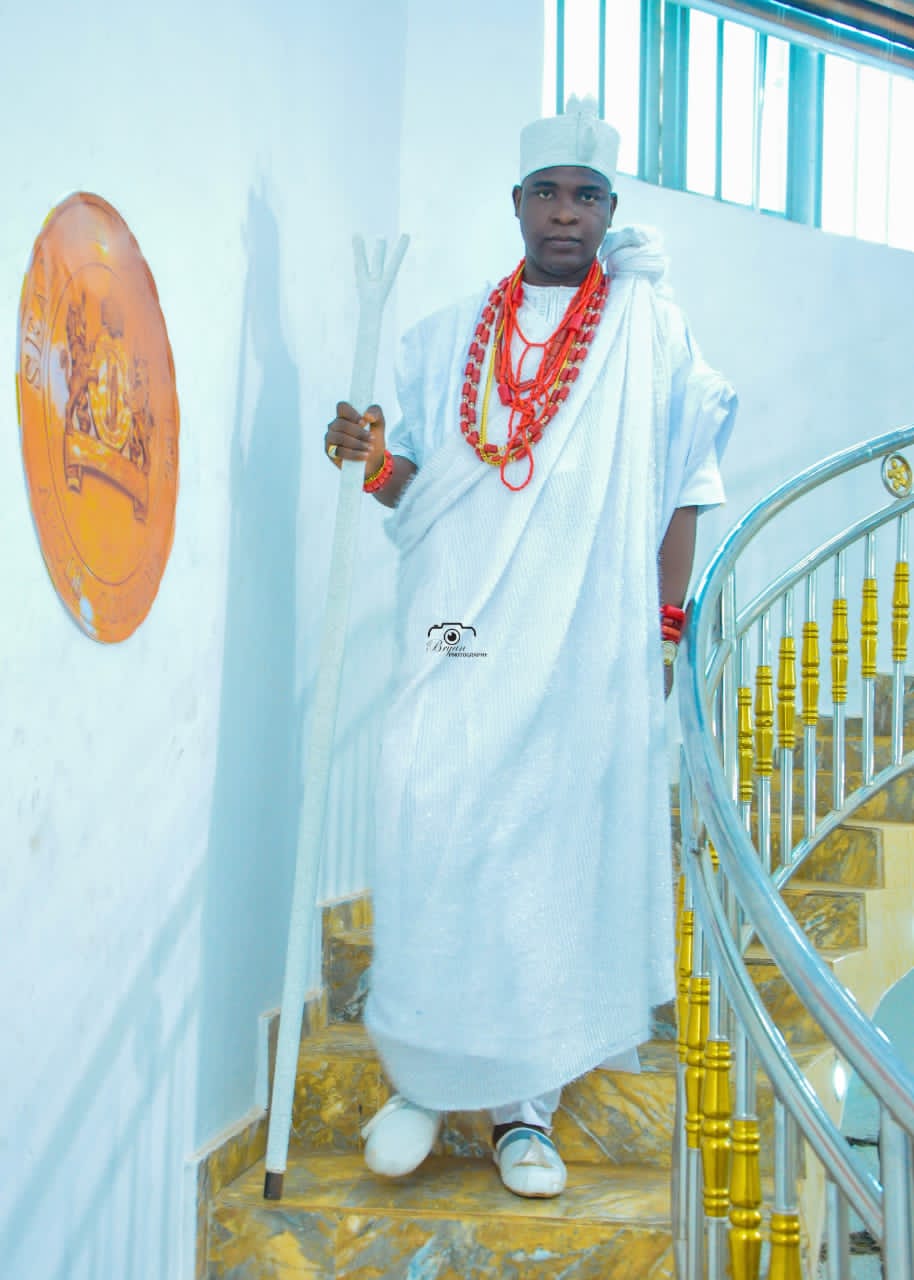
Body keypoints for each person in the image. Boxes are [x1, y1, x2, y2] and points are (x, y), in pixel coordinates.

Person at [323, 97, 736, 1199]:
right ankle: (422, 1072)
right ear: (516, 203)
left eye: (586, 195)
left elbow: (685, 487)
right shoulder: (444, 339)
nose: (565, 213)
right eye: (547, 192)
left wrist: (660, 631)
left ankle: (522, 1109)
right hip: (455, 633)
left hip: (577, 645)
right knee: (425, 820)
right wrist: (368, 461)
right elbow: (415, 492)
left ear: (609, 208)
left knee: (538, 859)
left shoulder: (650, 333)